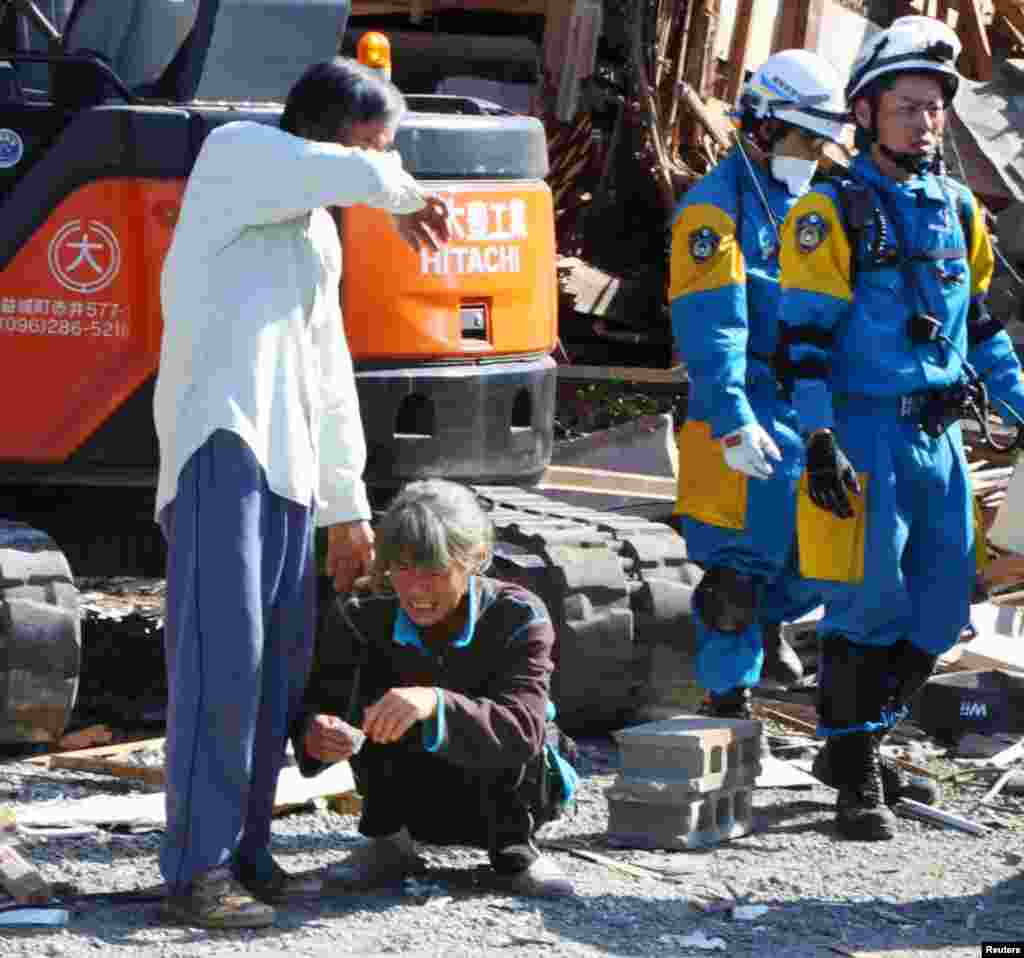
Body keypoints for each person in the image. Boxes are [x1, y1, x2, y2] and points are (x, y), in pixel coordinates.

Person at [153, 58, 451, 928]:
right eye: (372, 144)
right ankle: (196, 871)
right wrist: (397, 190)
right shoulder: (239, 156)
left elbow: (329, 376)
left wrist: (346, 504)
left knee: (275, 672)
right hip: (222, 446)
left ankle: (248, 854)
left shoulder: (318, 231)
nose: (380, 165)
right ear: (323, 130)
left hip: (285, 469)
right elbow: (343, 171)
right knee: (222, 665)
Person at [777, 16, 1024, 840]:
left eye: (935, 107)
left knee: (941, 609)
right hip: (862, 438)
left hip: (940, 441)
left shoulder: (959, 209)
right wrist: (818, 441)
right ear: (866, 113)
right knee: (865, 607)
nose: (926, 121)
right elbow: (803, 341)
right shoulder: (827, 211)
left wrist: (1020, 406)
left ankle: (857, 742)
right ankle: (854, 779)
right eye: (909, 105)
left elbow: (979, 326)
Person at [670, 50, 848, 718]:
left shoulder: (814, 206)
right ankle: (727, 699)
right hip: (744, 408)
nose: (816, 151)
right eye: (807, 137)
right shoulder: (713, 215)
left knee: (817, 560)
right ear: (765, 127)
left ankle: (769, 626)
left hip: (808, 408)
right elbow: (712, 329)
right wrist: (731, 420)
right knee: (735, 576)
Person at [296, 479, 577, 899]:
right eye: (403, 568)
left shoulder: (518, 615)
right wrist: (315, 735)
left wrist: (435, 701)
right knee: (380, 706)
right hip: (410, 792)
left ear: (477, 559)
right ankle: (389, 844)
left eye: (435, 570)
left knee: (513, 729)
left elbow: (522, 729)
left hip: (509, 789)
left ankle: (515, 852)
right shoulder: (364, 615)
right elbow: (322, 701)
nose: (415, 589)